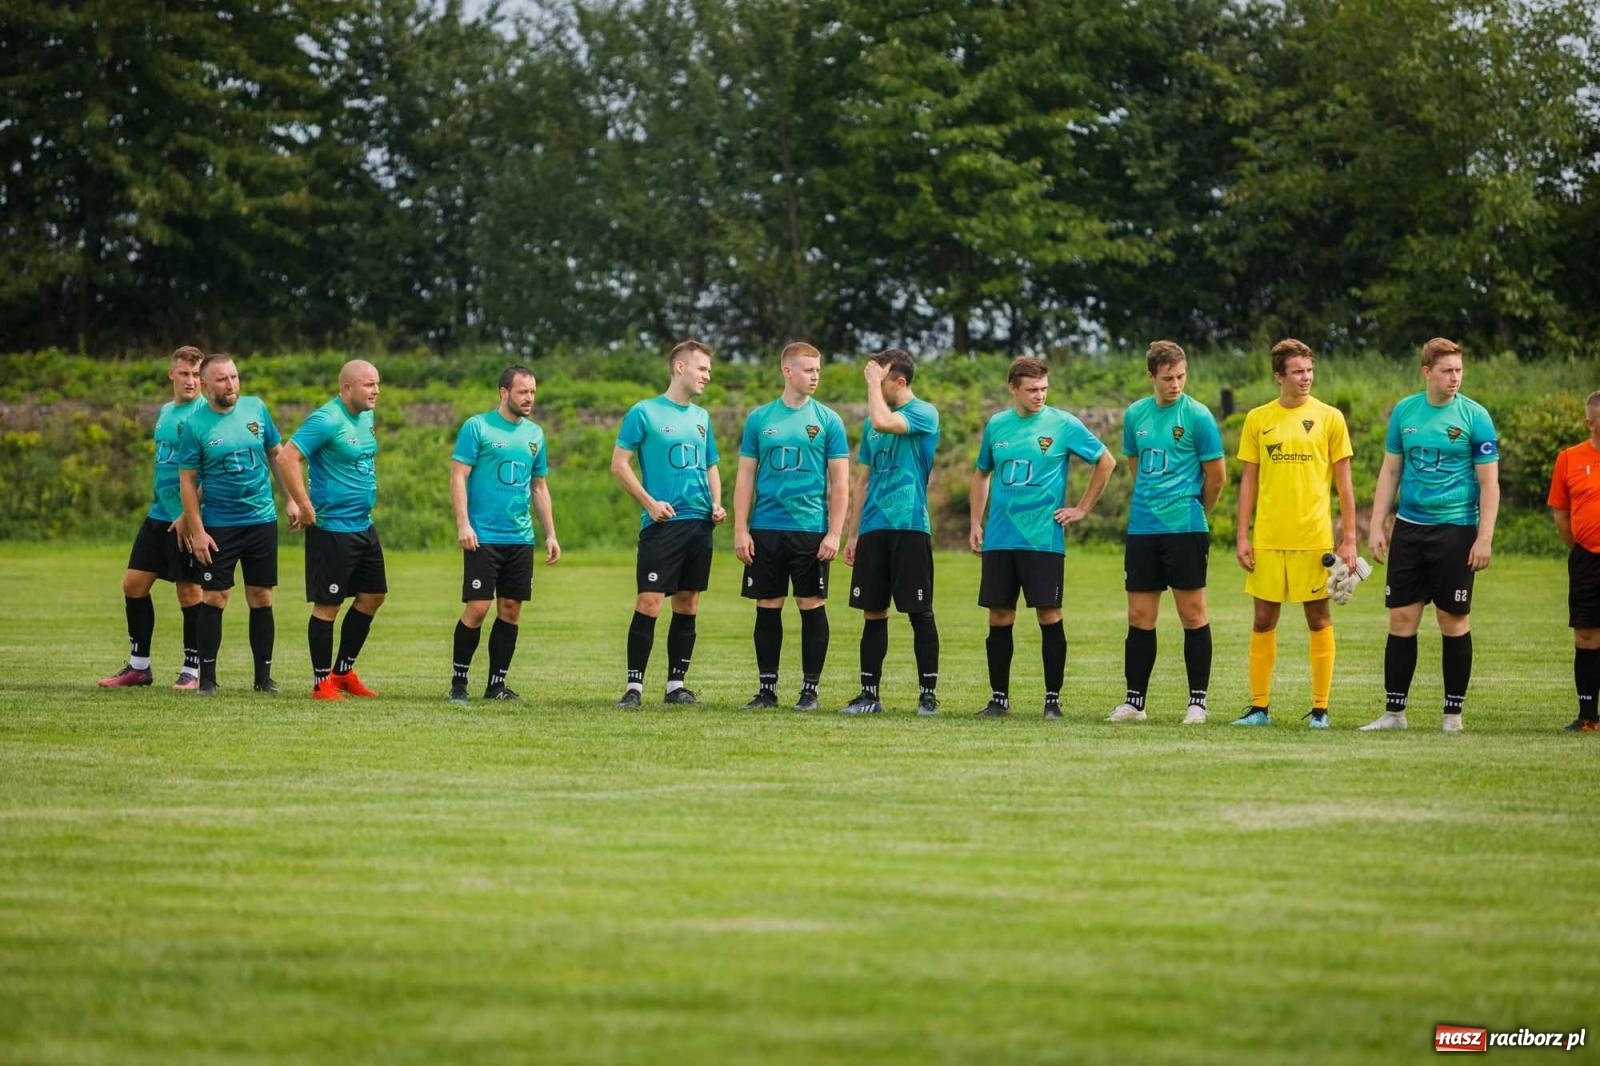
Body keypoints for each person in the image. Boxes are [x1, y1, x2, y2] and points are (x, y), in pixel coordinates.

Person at [1362, 338, 1499, 733]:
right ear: (1427, 372)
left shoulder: (1475, 417)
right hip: (1410, 528)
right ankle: (1394, 713)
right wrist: (1377, 525)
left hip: (1456, 530)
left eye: (1458, 370)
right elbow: (1390, 472)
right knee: (1401, 617)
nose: (1454, 377)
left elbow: (1490, 484)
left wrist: (1484, 537)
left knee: (1452, 620)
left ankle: (1452, 715)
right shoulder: (1405, 411)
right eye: (1447, 370)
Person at [969, 356, 1115, 718]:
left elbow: (1105, 461)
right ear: (1013, 388)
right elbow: (981, 474)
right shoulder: (997, 426)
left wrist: (1081, 508)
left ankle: (1053, 700)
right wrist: (976, 522)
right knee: (999, 617)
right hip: (1001, 539)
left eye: (1044, 389)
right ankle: (998, 699)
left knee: (1049, 615)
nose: (1039, 395)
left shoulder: (1063, 424)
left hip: (1043, 540)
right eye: (1032, 389)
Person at [1233, 338, 1358, 728]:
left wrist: (1350, 538)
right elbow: (1248, 482)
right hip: (1269, 538)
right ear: (1278, 376)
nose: (1305, 379)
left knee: (1319, 620)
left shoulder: (1330, 418)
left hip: (1314, 539)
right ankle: (1259, 708)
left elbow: (1345, 485)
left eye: (1309, 371)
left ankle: (1320, 710)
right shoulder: (1257, 419)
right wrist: (1242, 535)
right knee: (1263, 620)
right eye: (1297, 372)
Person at [1108, 341, 1226, 724]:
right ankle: (1134, 702)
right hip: (1143, 528)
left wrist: (1194, 511)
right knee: (1139, 616)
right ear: (1151, 377)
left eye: (1181, 376)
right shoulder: (1135, 415)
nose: (1175, 384)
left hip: (1186, 528)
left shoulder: (1199, 416)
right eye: (1167, 378)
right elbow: (1134, 466)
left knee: (1192, 614)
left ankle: (1197, 702)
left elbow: (1217, 477)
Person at [732, 341, 850, 711]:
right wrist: (740, 528)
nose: (815, 376)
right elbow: (745, 477)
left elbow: (840, 482)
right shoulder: (759, 419)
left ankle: (809, 690)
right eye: (808, 370)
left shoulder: (828, 420)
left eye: (818, 370)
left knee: (810, 603)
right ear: (787, 371)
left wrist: (834, 532)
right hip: (766, 527)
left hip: (810, 529)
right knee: (768, 604)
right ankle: (767, 690)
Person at [610, 340, 725, 707]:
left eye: (708, 369)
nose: (707, 375)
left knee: (688, 602)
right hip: (663, 524)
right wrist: (650, 502)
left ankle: (676, 685)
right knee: (649, 601)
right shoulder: (644, 412)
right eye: (702, 368)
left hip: (699, 524)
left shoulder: (702, 418)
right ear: (680, 367)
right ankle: (634, 687)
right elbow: (619, 464)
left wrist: (717, 504)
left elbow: (711, 466)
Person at [177, 354, 294, 696]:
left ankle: (263, 679)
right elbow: (187, 481)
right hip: (219, 524)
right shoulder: (195, 425)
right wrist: (197, 531)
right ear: (204, 384)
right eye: (222, 379)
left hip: (260, 520)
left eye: (234, 377)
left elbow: (277, 454)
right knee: (215, 597)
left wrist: (291, 499)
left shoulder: (256, 408)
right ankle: (208, 680)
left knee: (261, 595)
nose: (231, 384)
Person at [275, 360, 388, 702]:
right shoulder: (326, 419)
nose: (376, 391)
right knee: (329, 605)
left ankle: (343, 672)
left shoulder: (366, 417)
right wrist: (304, 505)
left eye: (377, 384)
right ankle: (321, 682)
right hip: (332, 529)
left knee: (373, 596)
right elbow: (286, 458)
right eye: (369, 385)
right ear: (347, 388)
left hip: (362, 525)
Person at [448, 366, 560, 702]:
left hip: (520, 538)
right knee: (478, 608)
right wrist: (463, 524)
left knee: (510, 608)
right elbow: (458, 477)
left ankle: (496, 684)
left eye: (533, 392)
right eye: (523, 392)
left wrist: (550, 534)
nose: (529, 399)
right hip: (483, 536)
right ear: (504, 392)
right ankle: (459, 681)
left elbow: (539, 487)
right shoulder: (477, 427)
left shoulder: (535, 435)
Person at [100, 346, 208, 691]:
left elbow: (211, 470)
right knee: (133, 585)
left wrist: (191, 517)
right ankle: (139, 667)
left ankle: (193, 668)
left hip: (188, 518)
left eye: (196, 375)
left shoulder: (206, 414)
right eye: (185, 374)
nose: (191, 381)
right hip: (159, 513)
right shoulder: (165, 411)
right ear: (171, 374)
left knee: (189, 591)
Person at [840, 348, 941, 716]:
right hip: (874, 529)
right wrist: (853, 535)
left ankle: (928, 695)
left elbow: (884, 422)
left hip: (910, 527)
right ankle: (870, 694)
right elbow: (862, 482)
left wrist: (871, 384)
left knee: (919, 612)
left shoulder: (923, 413)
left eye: (880, 379)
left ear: (899, 381)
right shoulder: (871, 425)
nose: (874, 385)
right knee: (872, 612)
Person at [1549, 390, 1600, 733]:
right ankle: (1588, 717)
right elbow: (1562, 516)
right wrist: (1582, 546)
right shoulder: (1568, 458)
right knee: (1586, 635)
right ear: (1589, 422)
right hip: (1587, 560)